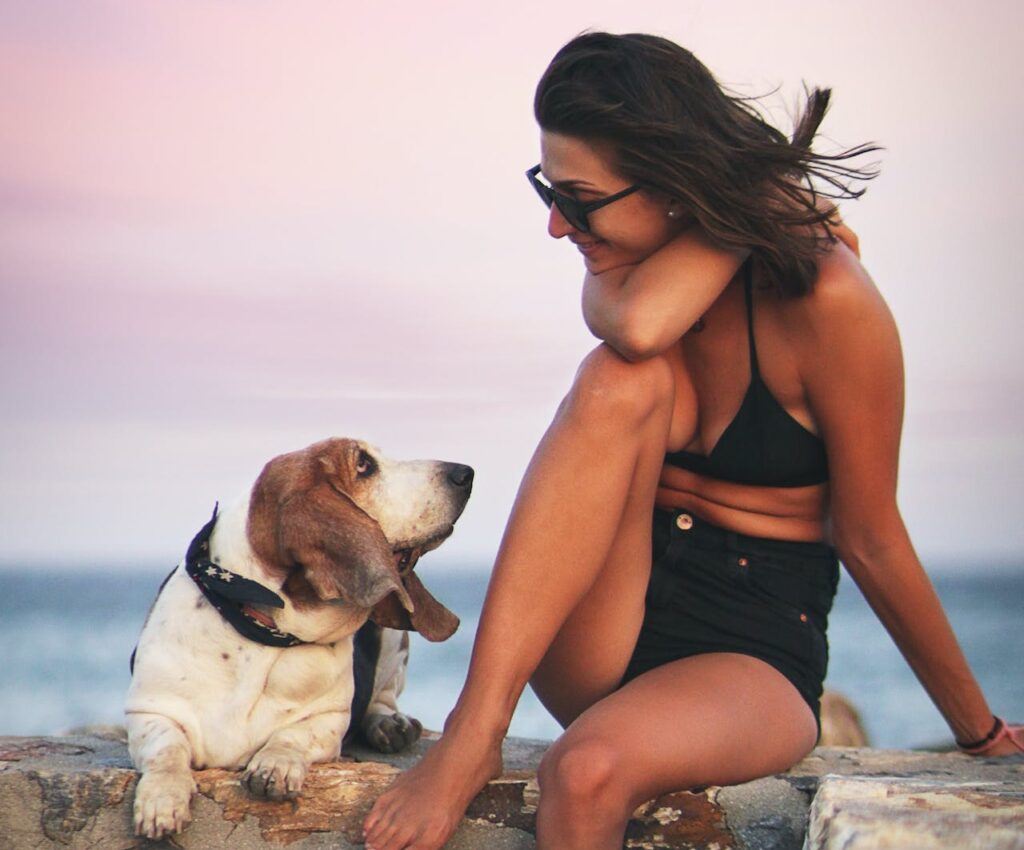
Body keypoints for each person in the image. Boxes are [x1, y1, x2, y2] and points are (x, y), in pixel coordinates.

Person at [363, 32, 1023, 850]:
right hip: (610, 622)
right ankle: (474, 728)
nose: (557, 225)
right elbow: (637, 328)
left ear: (672, 182)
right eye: (548, 188)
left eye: (579, 197)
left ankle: (484, 735)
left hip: (751, 647)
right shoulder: (632, 275)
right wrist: (752, 209)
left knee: (585, 771)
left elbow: (871, 536)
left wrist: (981, 732)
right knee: (619, 379)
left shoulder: (830, 304)